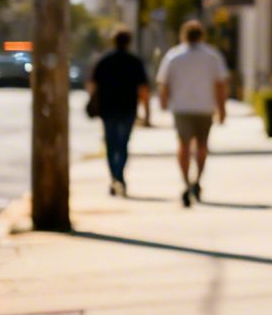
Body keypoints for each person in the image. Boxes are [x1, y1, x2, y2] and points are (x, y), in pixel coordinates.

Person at [156, 20, 231, 208]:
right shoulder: (212, 56)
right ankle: (197, 180)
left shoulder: (173, 56)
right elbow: (220, 85)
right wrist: (222, 109)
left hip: (181, 108)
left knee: (183, 145)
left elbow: (163, 83)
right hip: (205, 107)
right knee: (202, 146)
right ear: (202, 35)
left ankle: (186, 182)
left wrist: (164, 103)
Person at [85, 31, 149, 198]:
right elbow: (143, 89)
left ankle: (114, 176)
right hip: (128, 108)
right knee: (123, 144)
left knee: (111, 143)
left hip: (108, 107)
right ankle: (119, 176)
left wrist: (94, 99)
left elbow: (92, 84)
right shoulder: (134, 61)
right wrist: (146, 111)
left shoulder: (104, 60)